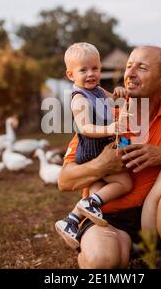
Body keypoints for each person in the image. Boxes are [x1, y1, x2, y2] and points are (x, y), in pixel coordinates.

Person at [58, 45, 161, 268]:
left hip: (152, 216)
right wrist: (101, 165)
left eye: (142, 67)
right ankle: (91, 251)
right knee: (103, 262)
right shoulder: (105, 113)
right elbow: (64, 180)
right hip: (107, 219)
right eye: (128, 66)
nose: (130, 73)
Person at [55, 42, 134, 249]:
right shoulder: (79, 99)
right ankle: (88, 204)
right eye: (84, 70)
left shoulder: (98, 90)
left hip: (100, 147)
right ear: (71, 75)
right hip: (92, 151)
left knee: (97, 189)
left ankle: (71, 221)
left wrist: (119, 92)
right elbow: (85, 127)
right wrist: (111, 129)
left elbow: (119, 103)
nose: (91, 74)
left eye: (95, 68)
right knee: (124, 183)